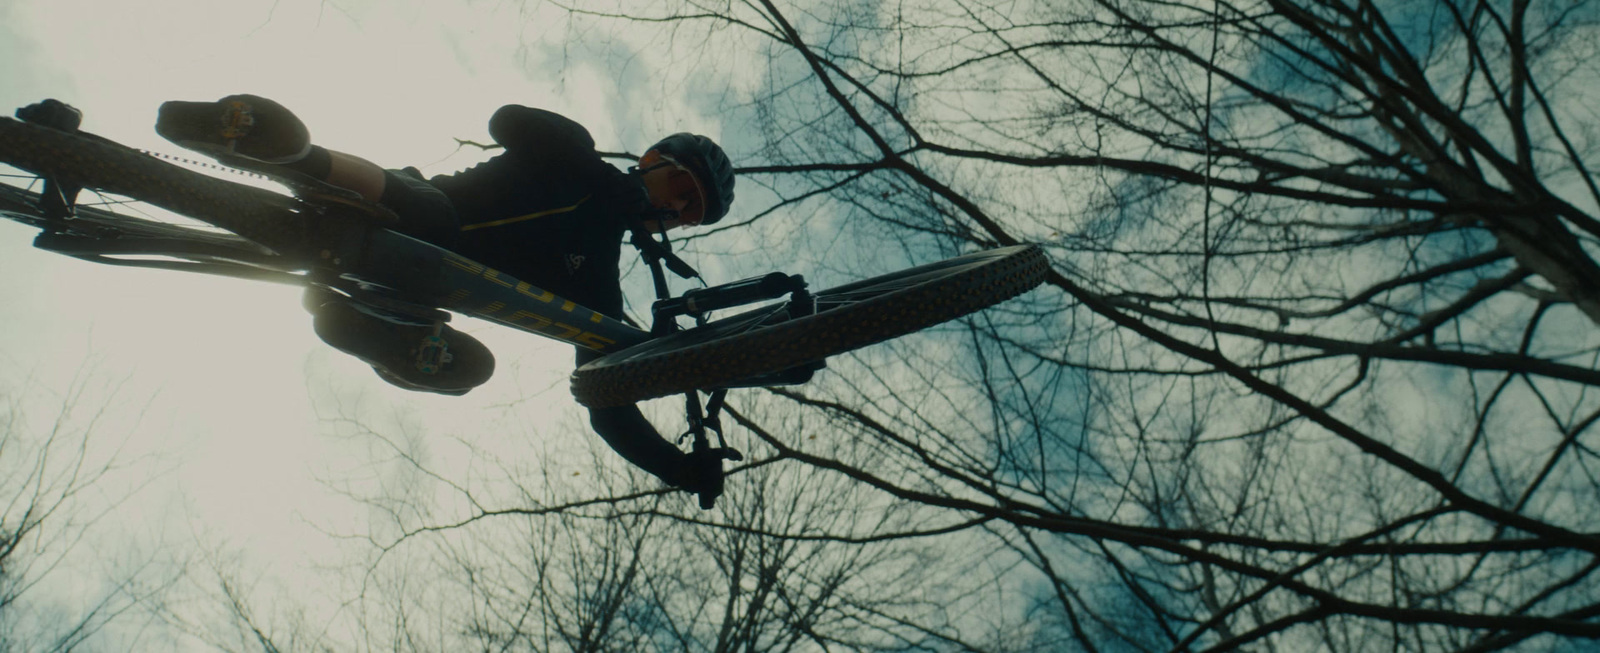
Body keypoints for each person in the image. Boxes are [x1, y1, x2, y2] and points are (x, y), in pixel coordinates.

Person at [153, 95, 735, 502]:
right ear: (653, 159)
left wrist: (679, 468)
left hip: (408, 286)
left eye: (690, 215)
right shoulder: (573, 153)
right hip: (391, 207)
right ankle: (278, 149)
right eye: (681, 189)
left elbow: (606, 400)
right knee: (432, 215)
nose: (677, 211)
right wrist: (594, 172)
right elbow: (507, 120)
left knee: (471, 367)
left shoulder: (598, 283)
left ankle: (368, 329)